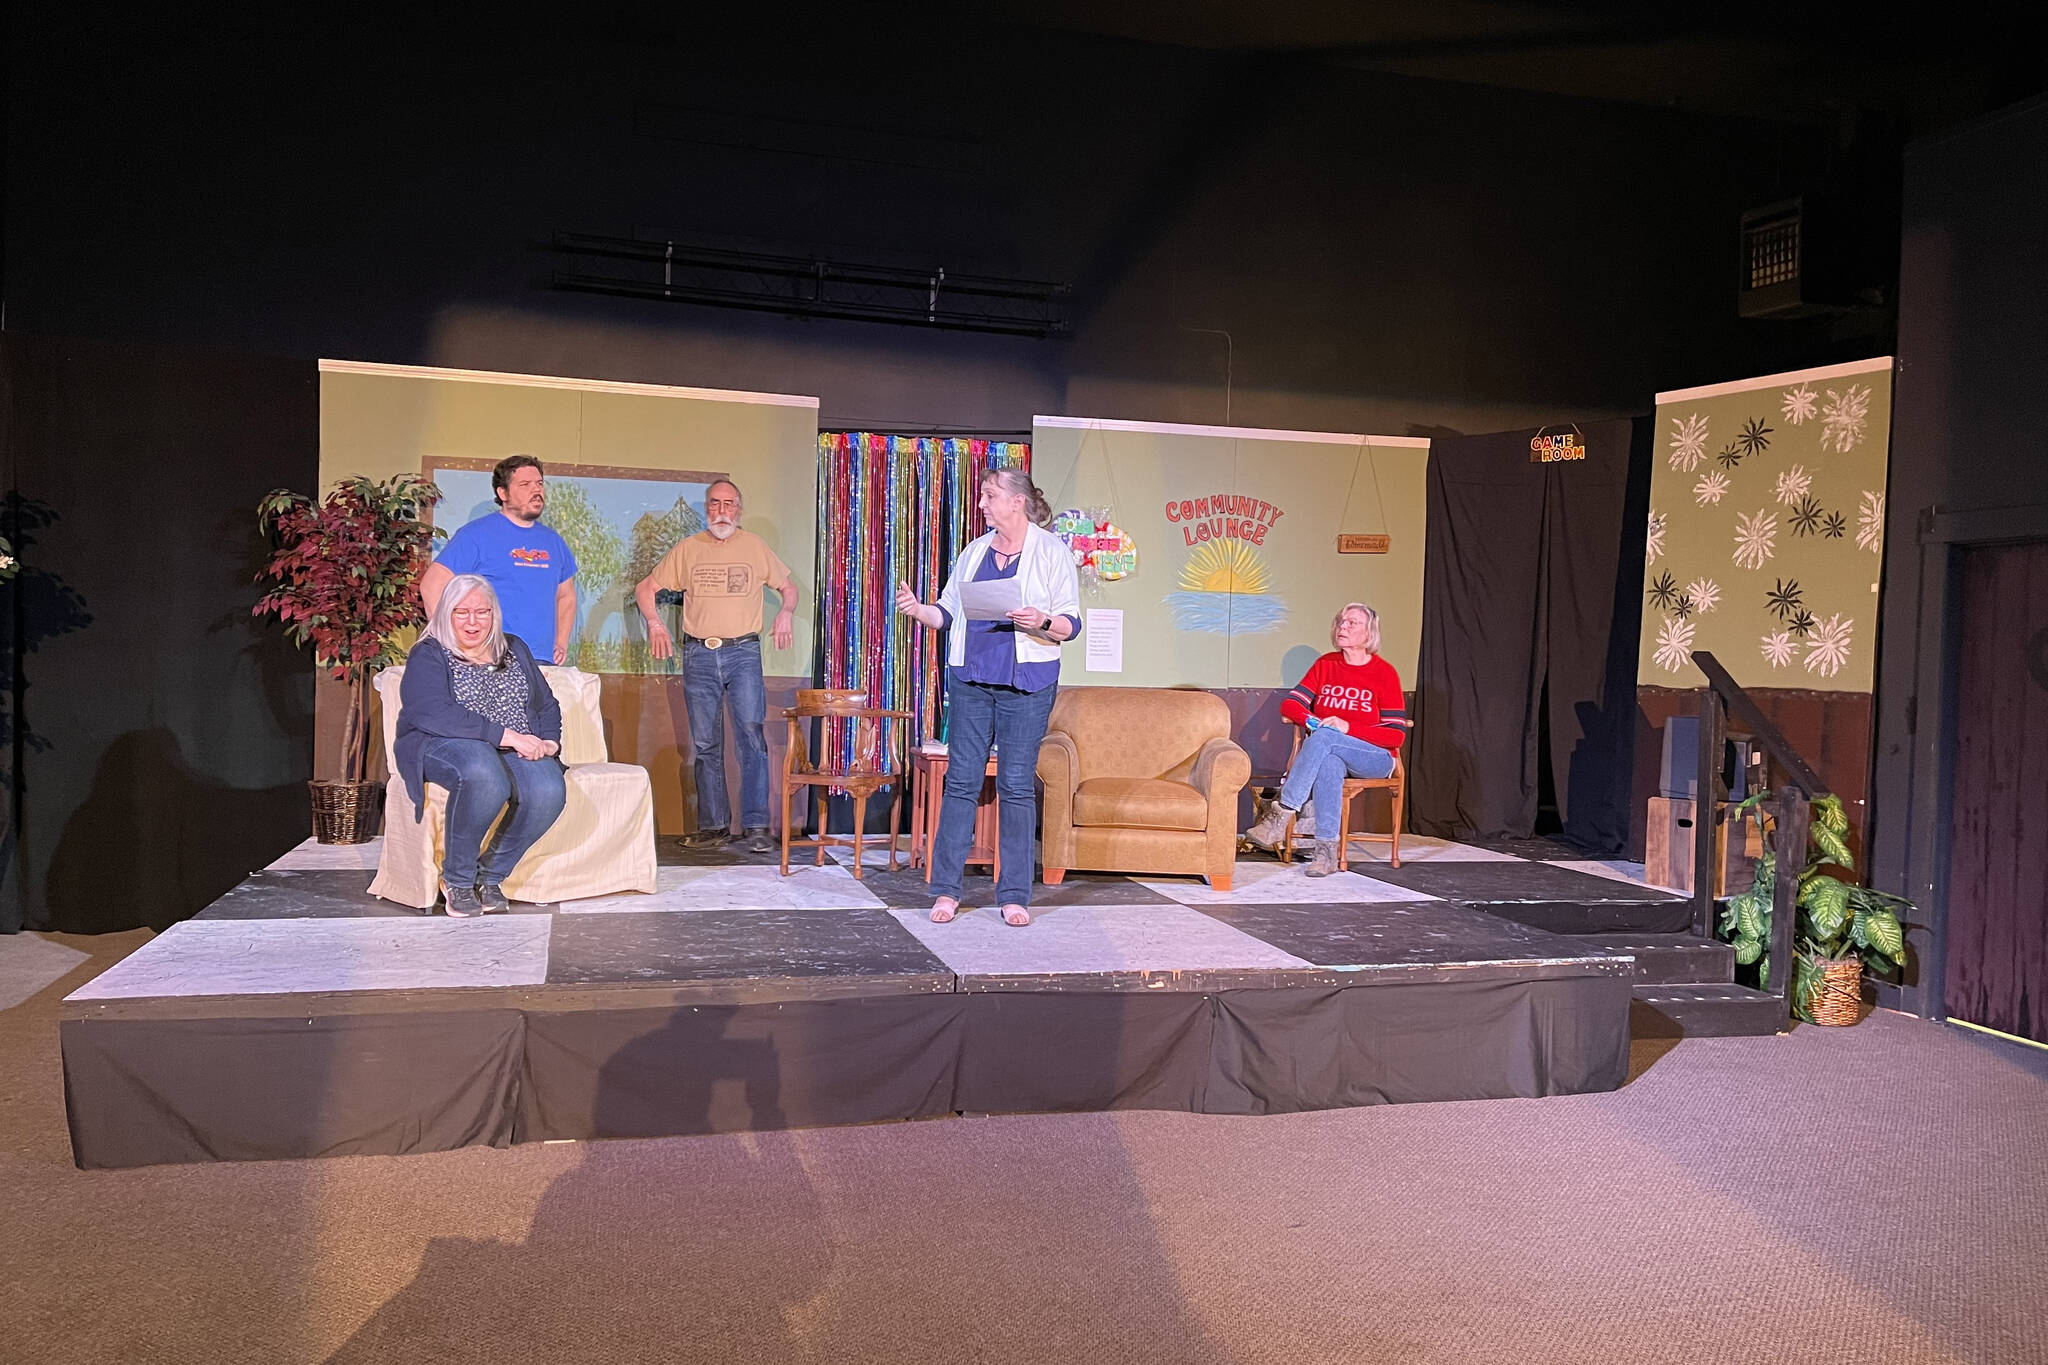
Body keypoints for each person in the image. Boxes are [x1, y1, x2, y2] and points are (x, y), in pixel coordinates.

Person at [894, 467, 1081, 926]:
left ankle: (1013, 894)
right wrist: (920, 611)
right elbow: (948, 612)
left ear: (1016, 501)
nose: (981, 503)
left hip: (1027, 684)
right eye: (981, 496)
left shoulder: (1052, 552)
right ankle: (945, 891)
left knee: (1016, 787)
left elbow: (1071, 624)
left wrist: (1039, 620)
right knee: (960, 782)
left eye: (990, 495)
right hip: (972, 680)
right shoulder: (975, 551)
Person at [635, 478, 799, 853]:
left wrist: (786, 613)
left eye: (728, 504)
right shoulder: (688, 549)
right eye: (714, 504)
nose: (721, 511)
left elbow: (789, 589)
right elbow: (646, 588)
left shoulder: (754, 546)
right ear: (706, 508)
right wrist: (655, 623)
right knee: (706, 743)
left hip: (743, 653)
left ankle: (757, 826)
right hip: (699, 655)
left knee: (751, 737)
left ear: (738, 510)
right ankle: (713, 826)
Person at [395, 574, 569, 917]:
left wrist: (549, 741)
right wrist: (509, 736)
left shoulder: (514, 648)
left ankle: (489, 877)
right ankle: (457, 881)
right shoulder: (430, 653)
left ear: (494, 614)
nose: (472, 622)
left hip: (510, 744)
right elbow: (432, 712)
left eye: (481, 612)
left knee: (549, 789)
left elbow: (546, 704)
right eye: (462, 612)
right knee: (483, 771)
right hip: (442, 743)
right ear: (446, 613)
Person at [1244, 602, 1410, 877]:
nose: (1342, 626)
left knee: (1326, 739)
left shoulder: (1385, 673)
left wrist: (1347, 727)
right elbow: (1291, 705)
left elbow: (1395, 734)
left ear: (1369, 634)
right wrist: (1313, 721)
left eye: (1352, 623)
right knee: (1329, 761)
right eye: (1340, 621)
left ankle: (1281, 813)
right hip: (1334, 751)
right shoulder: (1326, 665)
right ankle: (1325, 853)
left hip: (1376, 757)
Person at [419, 455, 578, 665]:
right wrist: (454, 644)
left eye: (539, 483)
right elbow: (432, 585)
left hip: (541, 662)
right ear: (502, 493)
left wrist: (561, 640)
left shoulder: (553, 542)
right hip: (491, 659)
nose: (536, 490)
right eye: (525, 484)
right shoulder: (475, 535)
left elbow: (566, 596)